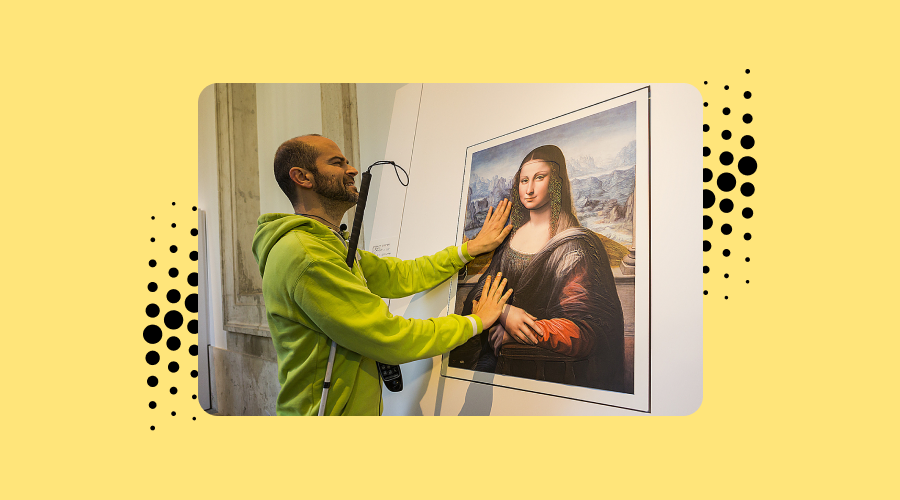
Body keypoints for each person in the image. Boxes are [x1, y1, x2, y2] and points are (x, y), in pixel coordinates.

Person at [251, 134, 514, 415]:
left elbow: (398, 275)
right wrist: (475, 322)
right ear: (302, 177)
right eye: (337, 163)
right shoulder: (307, 255)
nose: (351, 170)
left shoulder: (327, 242)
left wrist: (467, 249)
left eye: (348, 162)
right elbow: (389, 337)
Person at [454, 144, 627, 392]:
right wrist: (504, 312)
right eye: (524, 180)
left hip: (550, 371)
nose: (530, 189)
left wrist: (516, 332)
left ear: (555, 183)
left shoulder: (575, 245)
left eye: (539, 178)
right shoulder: (511, 239)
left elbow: (584, 331)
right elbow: (480, 294)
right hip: (497, 357)